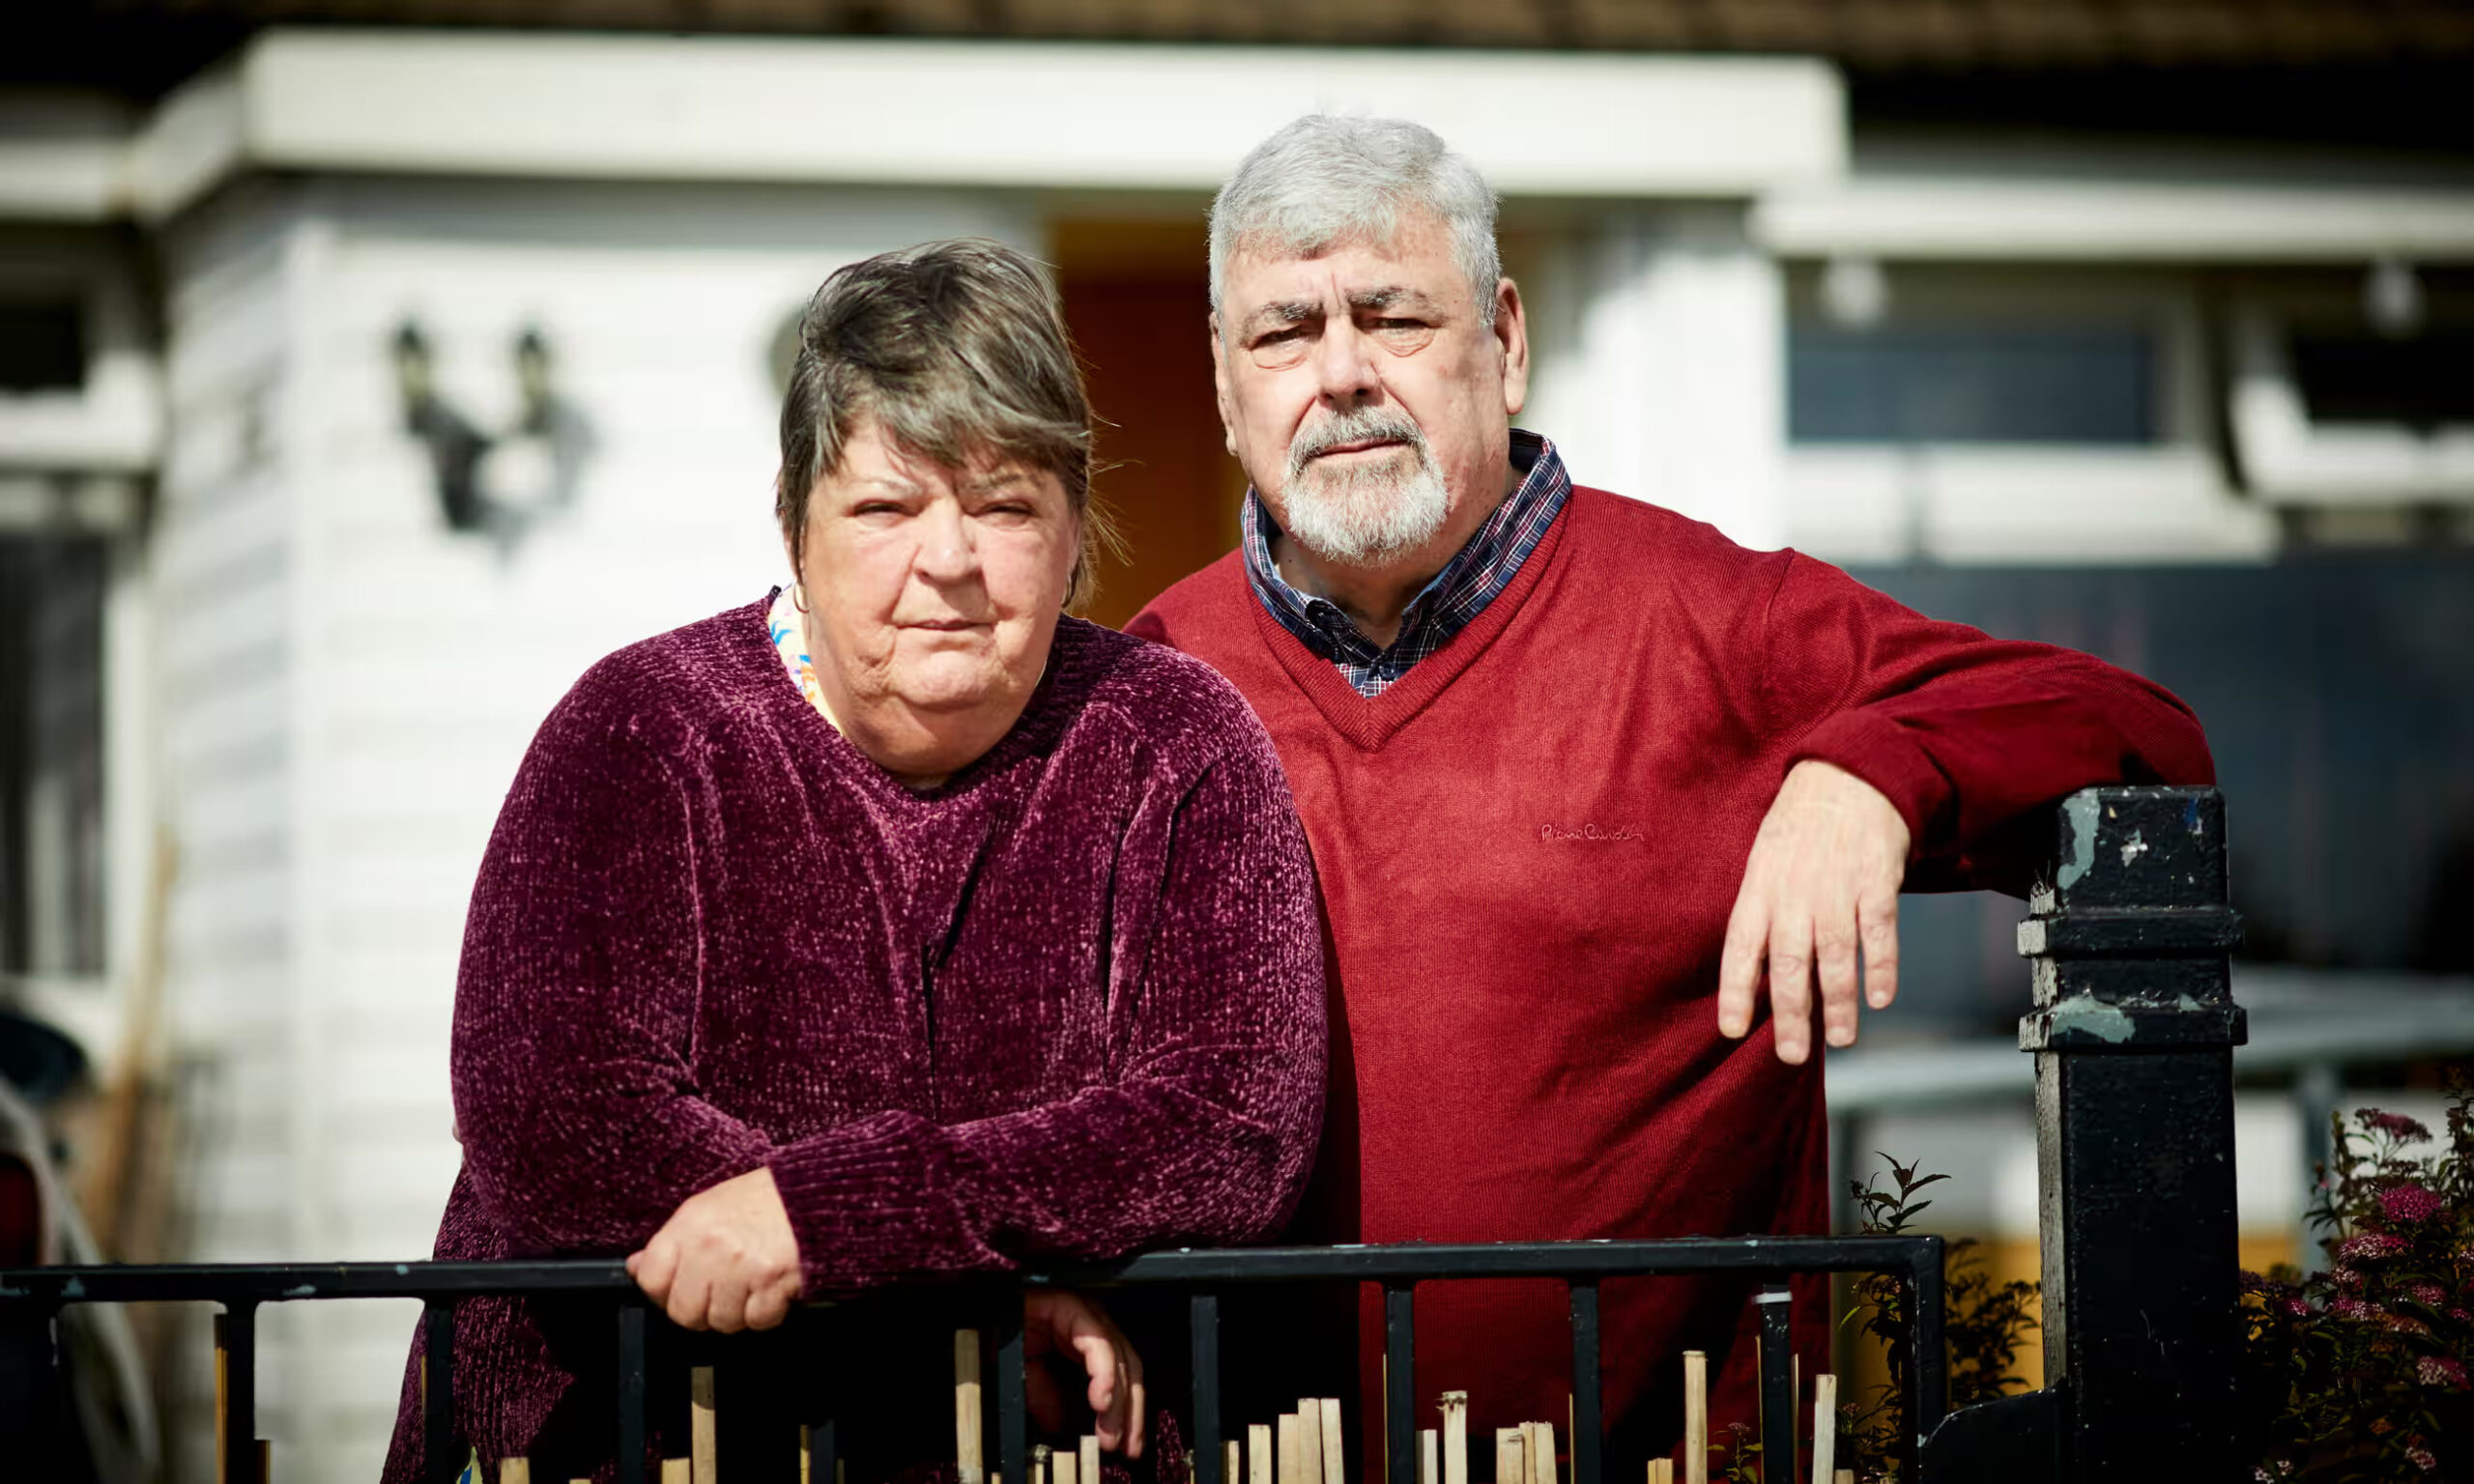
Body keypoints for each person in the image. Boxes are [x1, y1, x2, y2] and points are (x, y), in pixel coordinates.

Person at [1126, 116, 2216, 1465]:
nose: (1342, 376)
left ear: (1506, 340)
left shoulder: (1718, 625)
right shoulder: (1147, 686)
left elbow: (2148, 736)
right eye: (1283, 334)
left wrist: (1871, 769)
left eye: (1393, 316)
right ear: (1228, 392)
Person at [382, 240, 1326, 1483]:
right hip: (622, 1444)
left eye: (1004, 506)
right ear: (792, 522)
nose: (947, 561)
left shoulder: (1174, 741)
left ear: (1073, 529)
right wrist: (965, 1294)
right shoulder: (642, 731)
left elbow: (1230, 1125)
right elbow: (555, 1118)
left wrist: (839, 1222)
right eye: (885, 508)